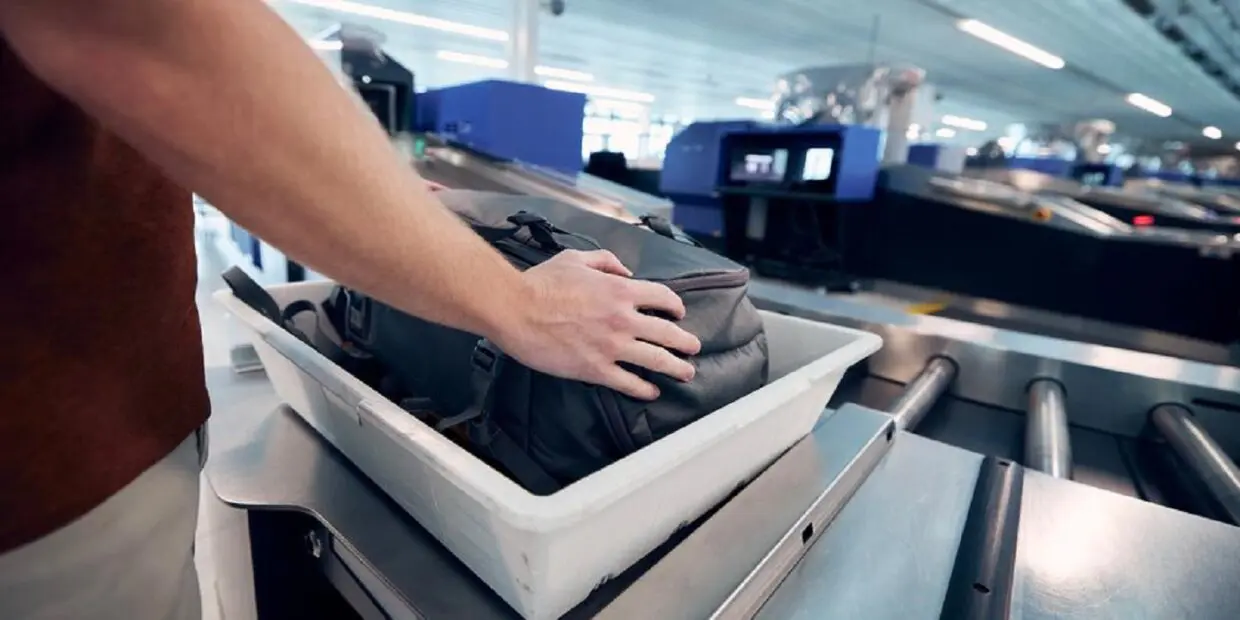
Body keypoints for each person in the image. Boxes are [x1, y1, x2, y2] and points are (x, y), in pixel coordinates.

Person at [0, 1, 701, 618]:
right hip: (50, 471)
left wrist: (395, 207)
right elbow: (151, 35)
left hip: (94, 419)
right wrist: (519, 305)